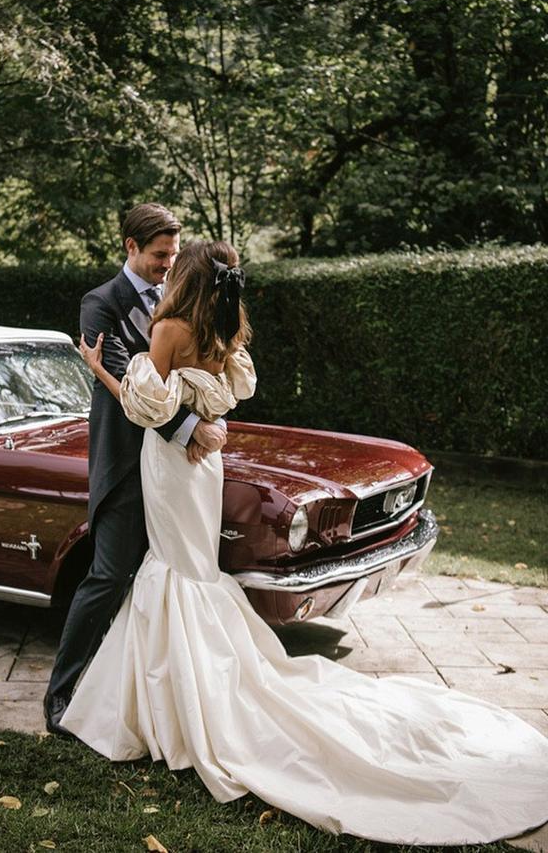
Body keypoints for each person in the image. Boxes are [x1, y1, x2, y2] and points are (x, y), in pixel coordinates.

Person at [60, 236, 548, 846]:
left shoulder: (170, 329)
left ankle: (178, 709)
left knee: (172, 567)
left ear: (183, 274)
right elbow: (227, 394)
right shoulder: (222, 325)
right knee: (191, 566)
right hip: (204, 467)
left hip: (170, 467)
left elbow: (146, 408)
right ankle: (183, 693)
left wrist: (101, 367)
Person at [44, 203, 228, 733]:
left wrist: (206, 421)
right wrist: (192, 430)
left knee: (169, 581)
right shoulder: (99, 304)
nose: (168, 264)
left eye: (174, 254)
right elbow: (132, 381)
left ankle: (163, 699)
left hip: (177, 472)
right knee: (108, 577)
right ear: (130, 246)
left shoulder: (185, 299)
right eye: (158, 255)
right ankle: (60, 694)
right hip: (128, 462)